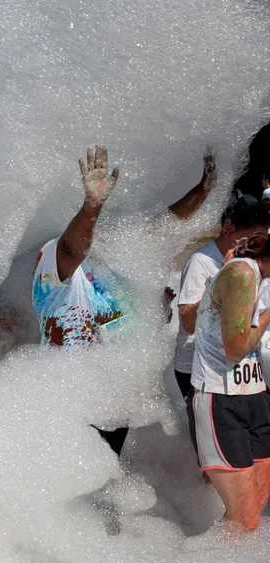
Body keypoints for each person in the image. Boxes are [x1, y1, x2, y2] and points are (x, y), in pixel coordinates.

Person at [33, 145, 216, 456]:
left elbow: (164, 225)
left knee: (103, 472)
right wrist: (91, 206)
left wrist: (205, 188)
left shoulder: (117, 265)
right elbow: (72, 248)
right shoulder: (57, 261)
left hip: (116, 395)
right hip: (72, 396)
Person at [188, 231, 270, 530]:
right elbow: (235, 348)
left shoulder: (259, 274)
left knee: (256, 506)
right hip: (221, 399)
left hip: (256, 393)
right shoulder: (241, 274)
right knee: (245, 519)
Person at [174, 197, 270, 400]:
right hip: (199, 368)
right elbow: (188, 322)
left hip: (238, 367)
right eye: (248, 241)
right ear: (228, 228)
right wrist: (222, 283)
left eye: (261, 242)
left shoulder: (255, 262)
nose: (255, 248)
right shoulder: (201, 262)